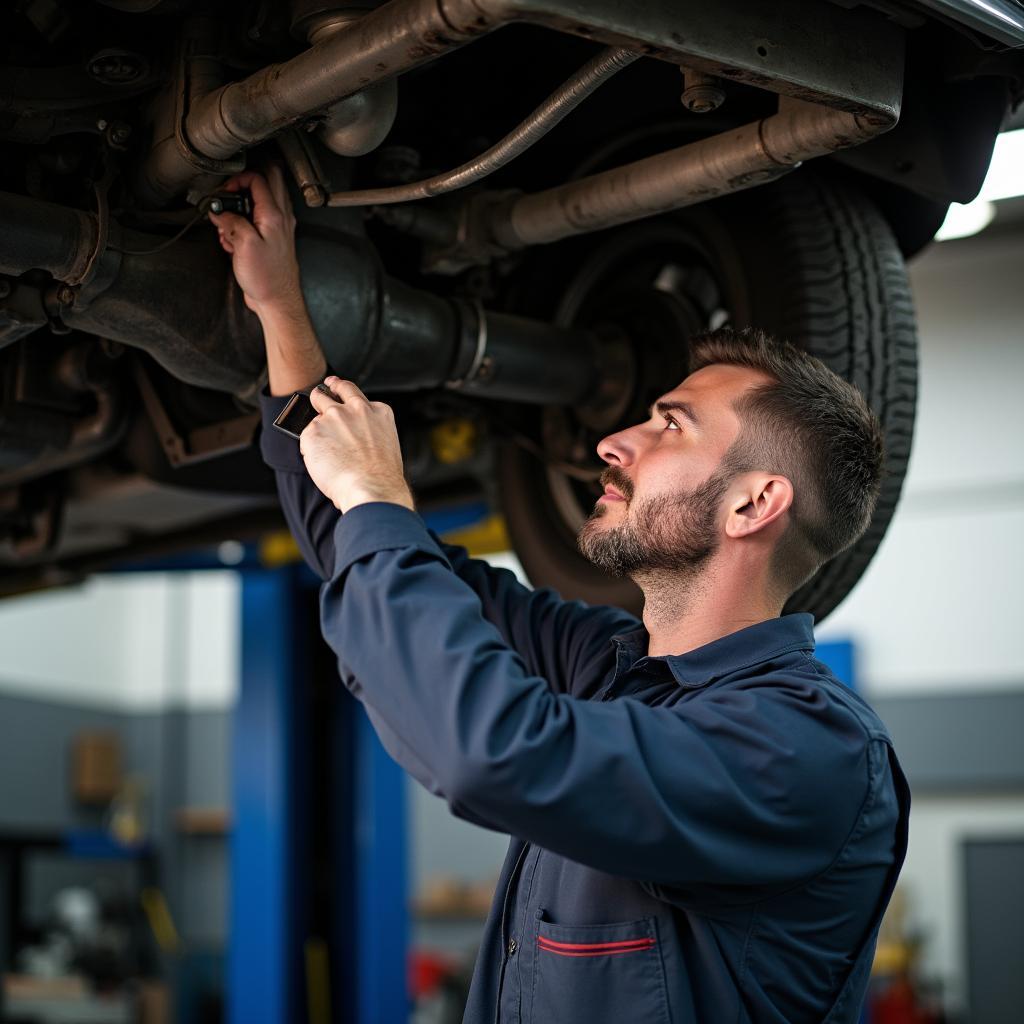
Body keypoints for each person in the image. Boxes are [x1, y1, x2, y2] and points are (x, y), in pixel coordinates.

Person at [211, 167, 909, 1024]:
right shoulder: (605, 664)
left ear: (753, 503)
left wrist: (382, 501)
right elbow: (363, 547)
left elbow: (492, 750)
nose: (613, 440)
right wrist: (284, 309)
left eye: (669, 425)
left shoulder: (807, 750)